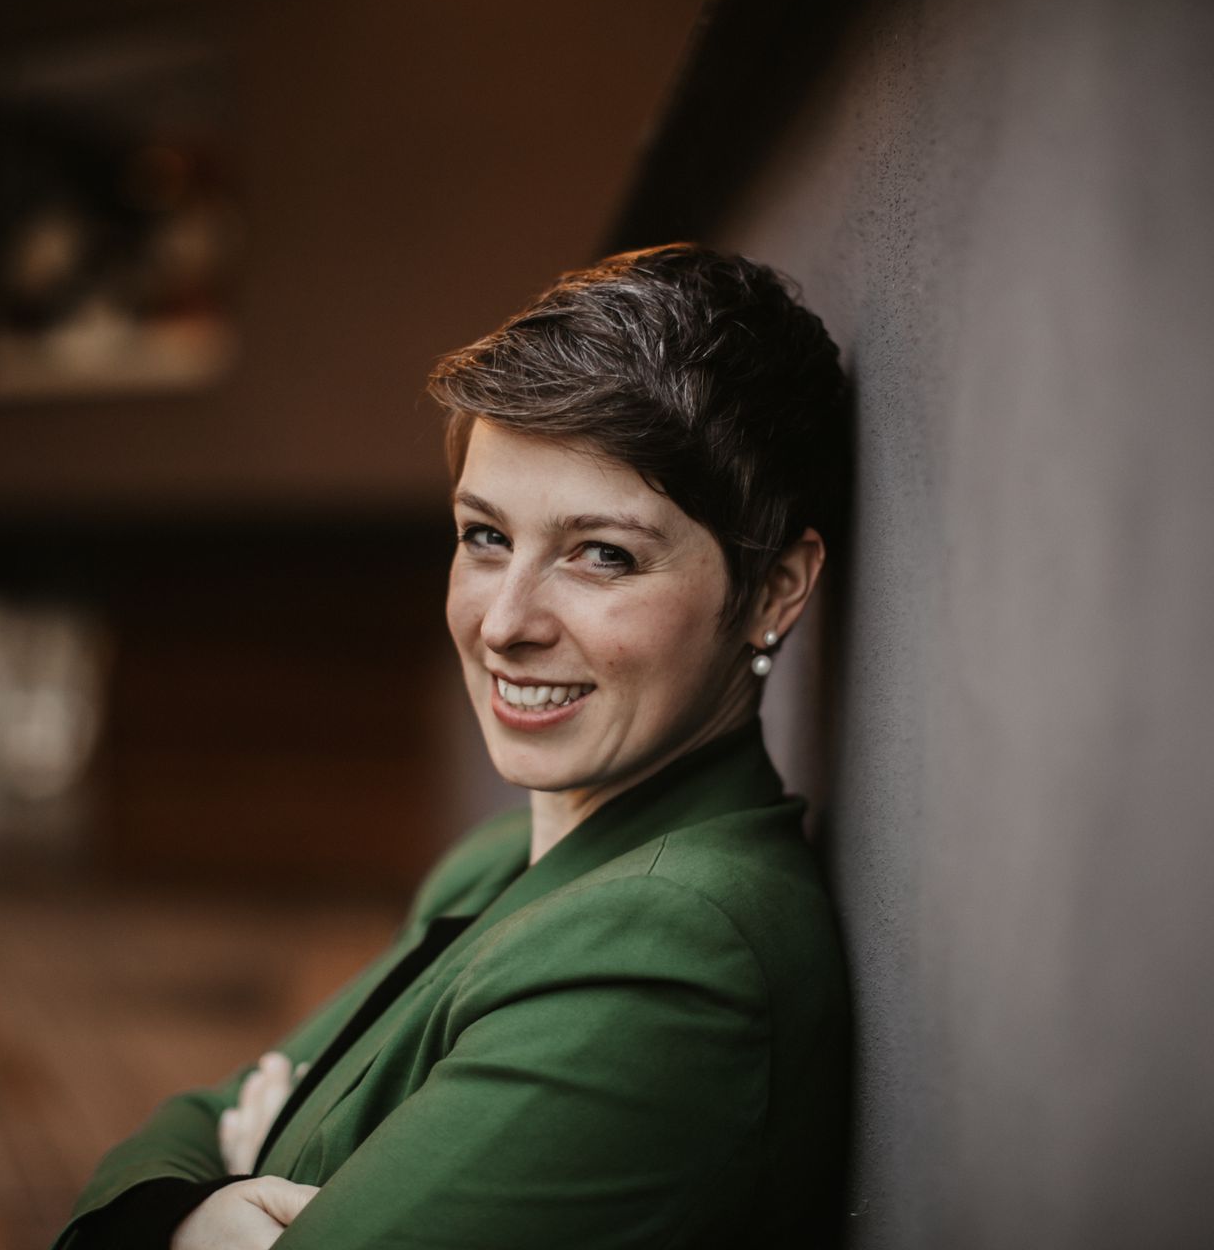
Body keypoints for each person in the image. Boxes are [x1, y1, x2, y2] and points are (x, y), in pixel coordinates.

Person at [51, 243, 854, 1249]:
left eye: (603, 554)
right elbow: (197, 1116)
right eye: (485, 536)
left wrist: (239, 1174)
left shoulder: (675, 953)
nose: (504, 623)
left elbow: (233, 1133)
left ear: (775, 589)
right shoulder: (503, 856)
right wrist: (192, 1216)